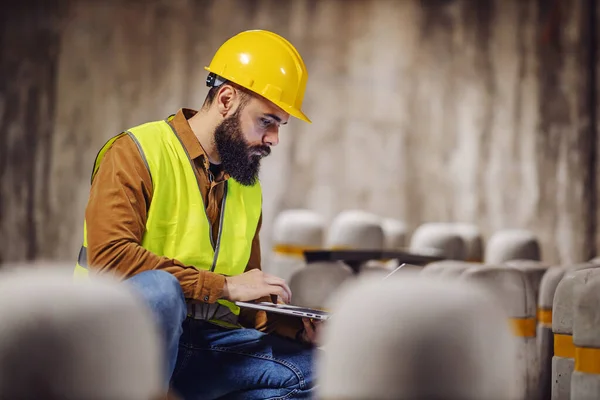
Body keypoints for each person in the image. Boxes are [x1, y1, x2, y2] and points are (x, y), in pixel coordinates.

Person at [74, 29, 320, 399]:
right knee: (160, 291)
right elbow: (110, 260)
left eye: (279, 126)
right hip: (117, 342)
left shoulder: (246, 188)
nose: (274, 139)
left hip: (201, 348)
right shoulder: (135, 153)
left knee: (322, 371)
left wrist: (298, 330)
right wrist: (223, 286)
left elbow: (245, 306)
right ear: (225, 99)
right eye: (266, 121)